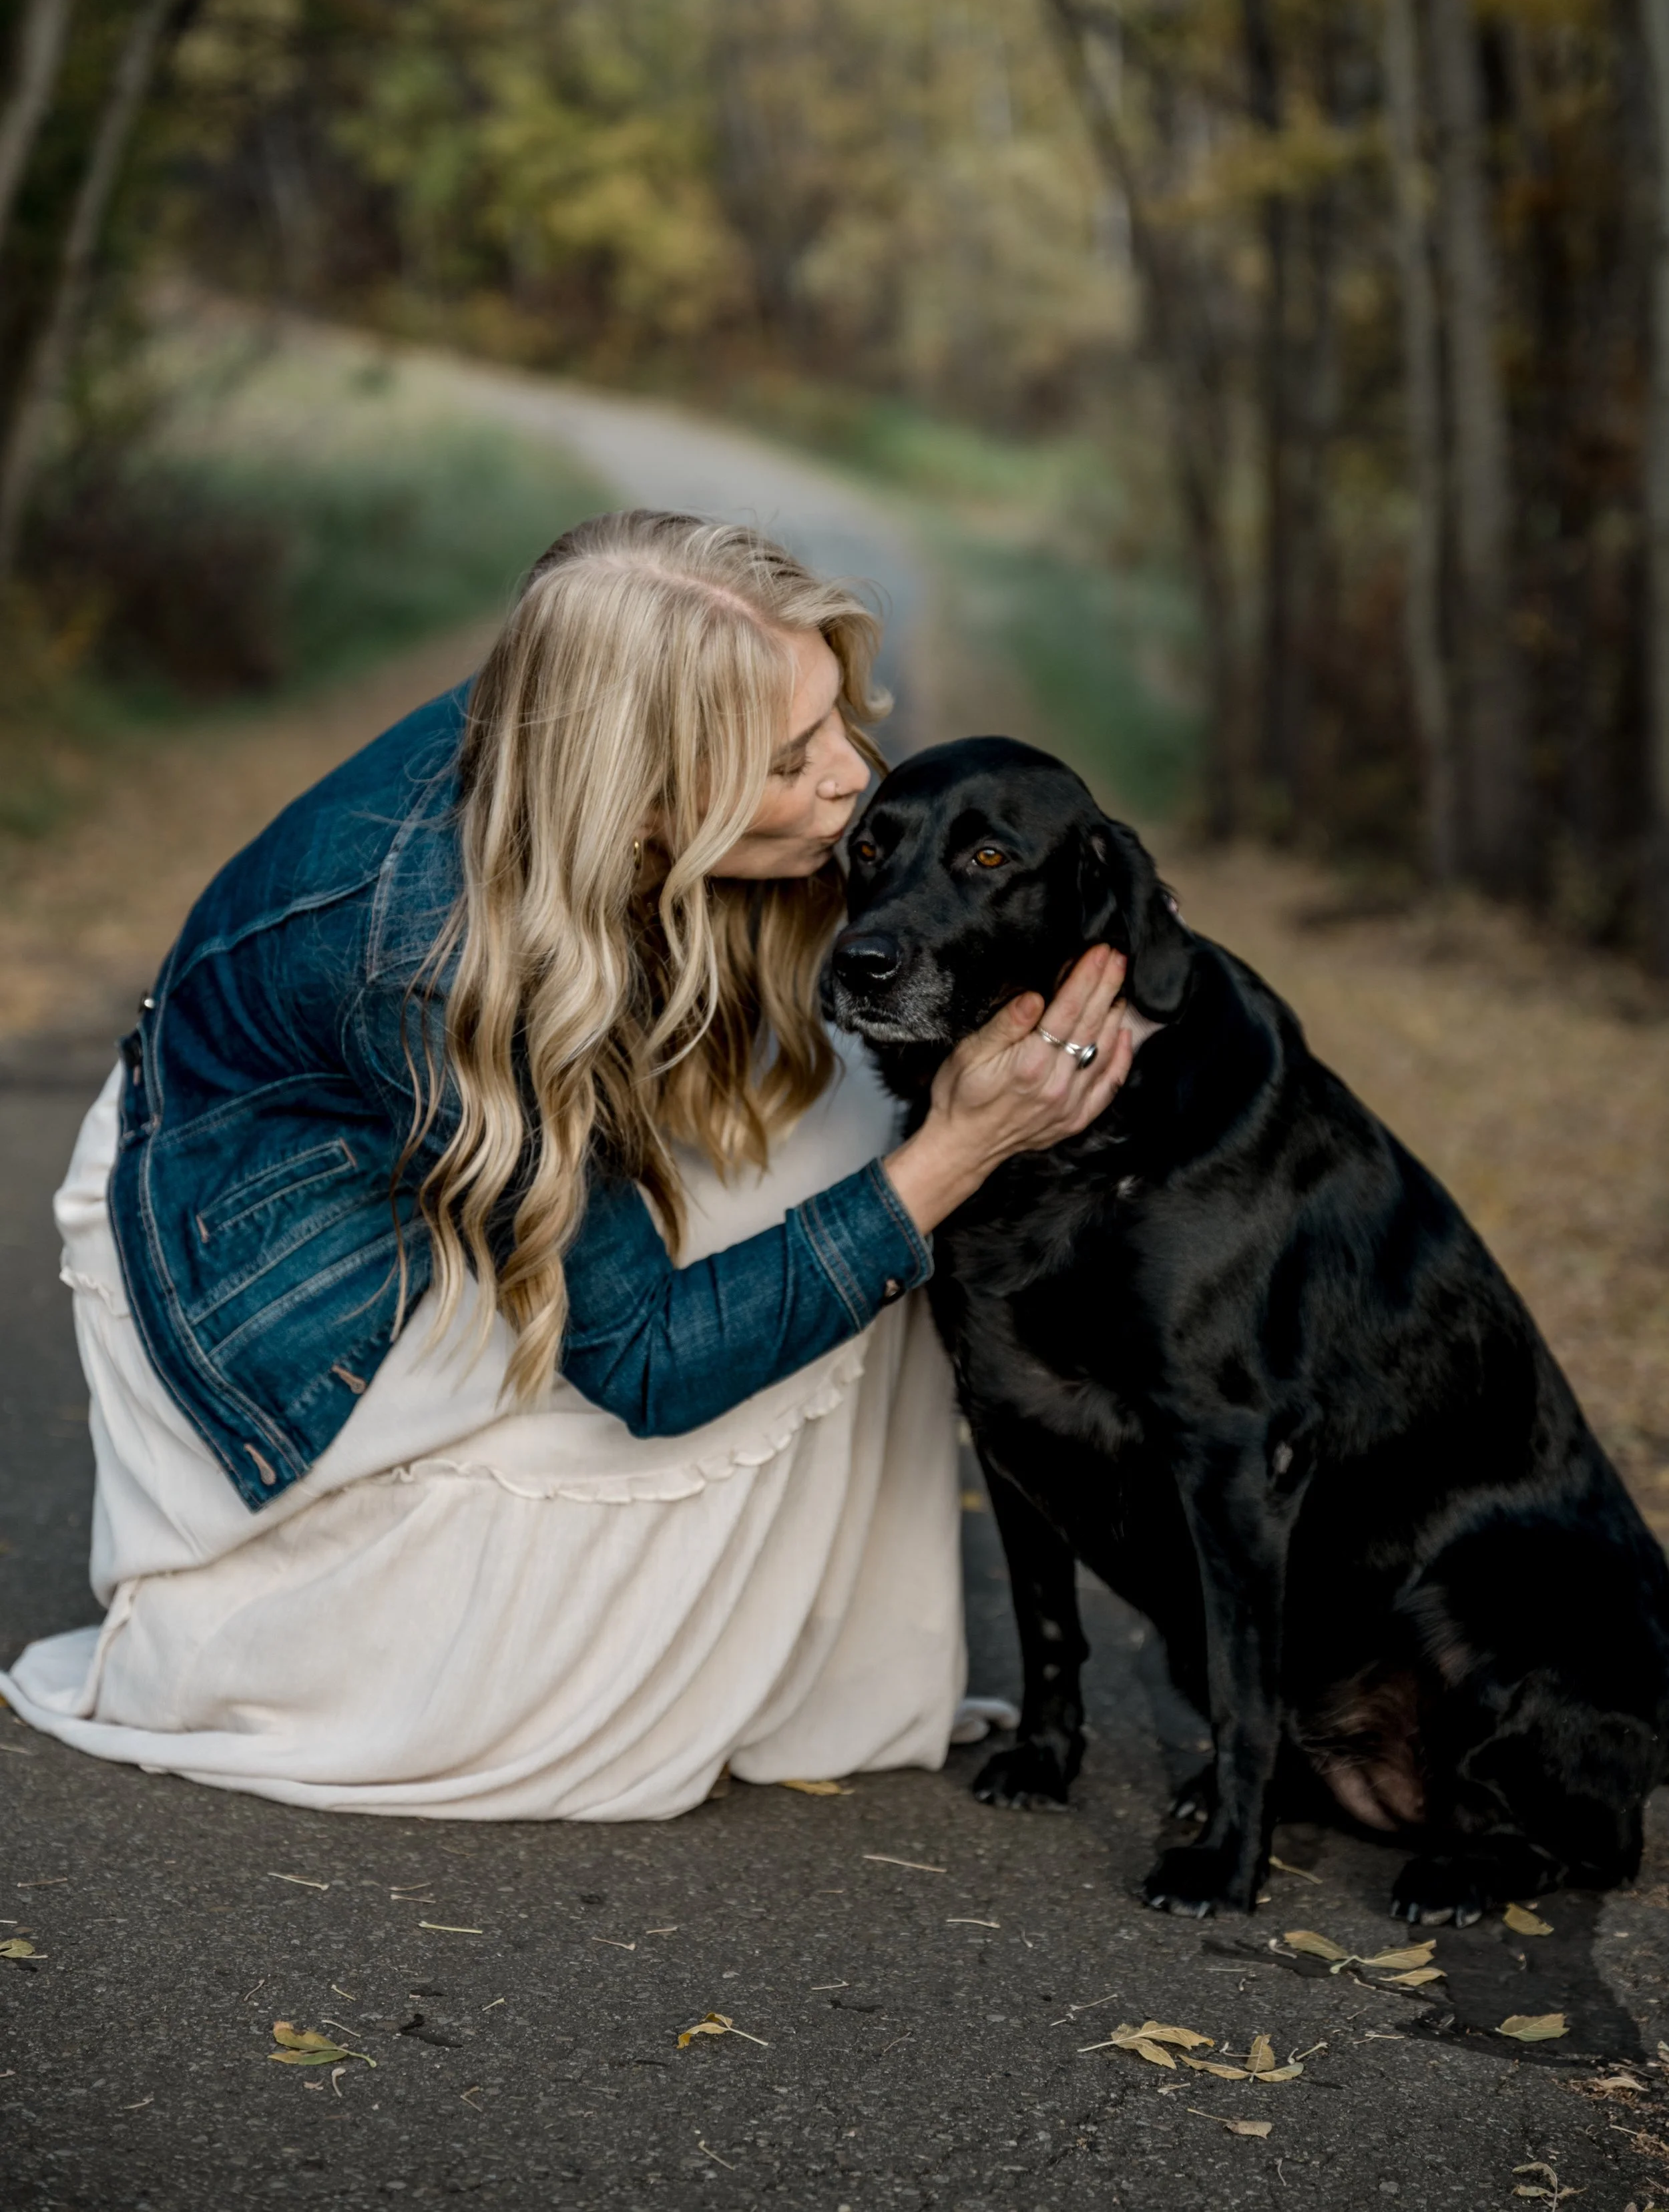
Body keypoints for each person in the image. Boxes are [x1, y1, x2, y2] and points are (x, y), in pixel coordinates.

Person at [0, 512, 1130, 1820]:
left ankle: (783, 1634)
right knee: (865, 1206)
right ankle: (329, 1632)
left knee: (841, 1142)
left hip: (412, 1133)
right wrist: (961, 1148)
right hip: (271, 1261)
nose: (849, 781)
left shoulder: (575, 715)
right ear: (642, 800)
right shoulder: (434, 957)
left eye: (838, 720)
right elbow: (644, 1363)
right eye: (787, 762)